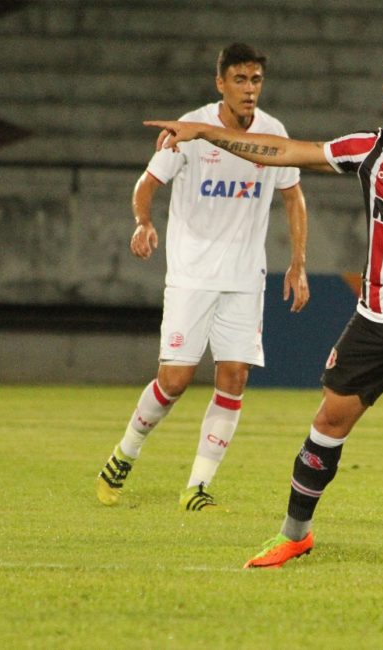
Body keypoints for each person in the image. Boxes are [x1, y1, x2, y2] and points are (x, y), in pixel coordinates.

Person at [145, 53, 383, 577]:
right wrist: (207, 134)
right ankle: (294, 535)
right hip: (373, 317)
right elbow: (283, 152)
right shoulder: (369, 150)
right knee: (329, 421)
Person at [96, 42, 310, 511]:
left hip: (244, 278)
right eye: (240, 79)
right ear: (221, 83)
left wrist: (297, 263)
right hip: (192, 275)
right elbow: (147, 184)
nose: (249, 89)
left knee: (234, 377)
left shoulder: (274, 132)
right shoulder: (191, 128)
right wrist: (143, 221)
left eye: (255, 80)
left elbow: (293, 196)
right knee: (174, 380)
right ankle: (124, 453)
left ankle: (197, 486)